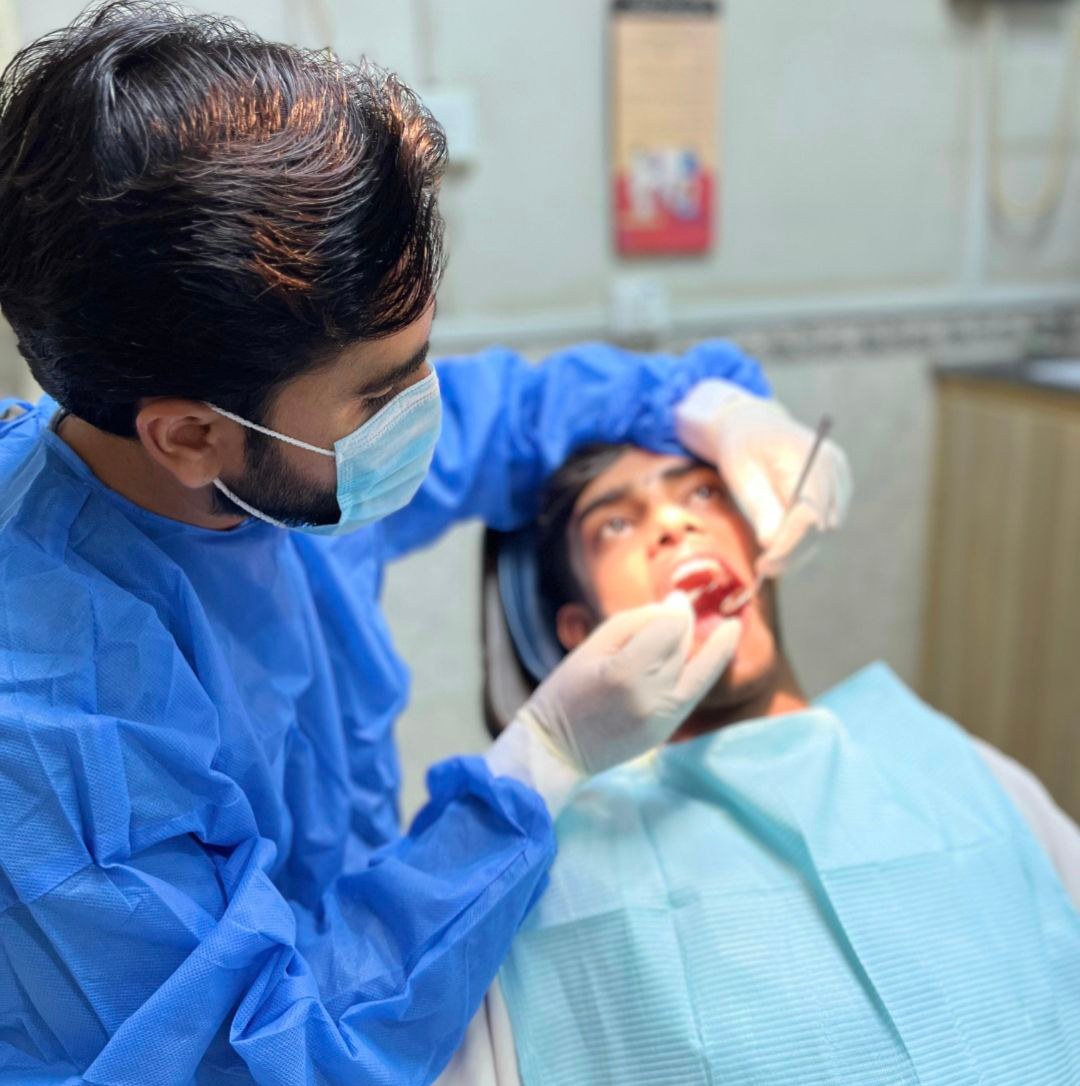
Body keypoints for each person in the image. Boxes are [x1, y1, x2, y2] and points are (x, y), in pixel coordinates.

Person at [0, 5, 853, 1083]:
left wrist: (716, 409)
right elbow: (263, 1054)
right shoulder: (56, 721)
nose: (426, 413)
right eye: (381, 395)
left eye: (422, 358)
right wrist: (537, 767)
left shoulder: (274, 473)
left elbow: (524, 414)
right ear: (190, 436)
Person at [439, 443, 1080, 1086]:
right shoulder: (535, 880)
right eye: (617, 523)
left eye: (704, 493)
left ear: (765, 550)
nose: (675, 523)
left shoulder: (958, 767)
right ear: (582, 633)